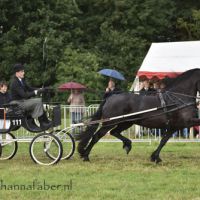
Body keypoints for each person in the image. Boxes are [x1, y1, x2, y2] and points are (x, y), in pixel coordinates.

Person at [9, 63, 51, 130]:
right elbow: (24, 95)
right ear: (17, 72)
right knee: (38, 101)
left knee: (39, 101)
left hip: (22, 102)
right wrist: (36, 92)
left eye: (23, 71)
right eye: (22, 71)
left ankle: (45, 121)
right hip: (17, 104)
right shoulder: (15, 83)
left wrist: (40, 89)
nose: (24, 73)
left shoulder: (21, 80)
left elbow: (30, 88)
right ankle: (42, 123)